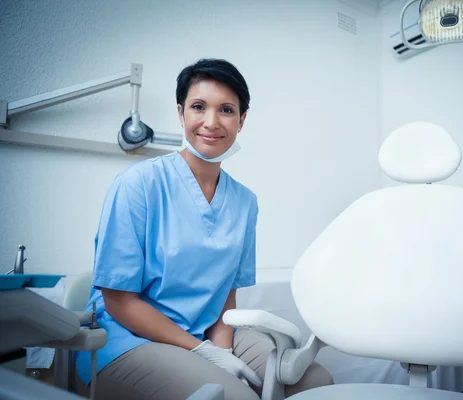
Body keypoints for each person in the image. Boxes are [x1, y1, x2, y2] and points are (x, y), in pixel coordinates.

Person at [73, 58, 334, 400]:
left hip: (207, 331)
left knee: (316, 384)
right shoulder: (137, 185)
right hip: (126, 338)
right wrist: (203, 352)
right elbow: (119, 301)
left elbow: (226, 297)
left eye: (226, 110)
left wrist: (222, 352)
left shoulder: (244, 202)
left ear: (241, 121)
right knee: (236, 397)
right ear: (181, 114)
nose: (211, 122)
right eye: (199, 107)